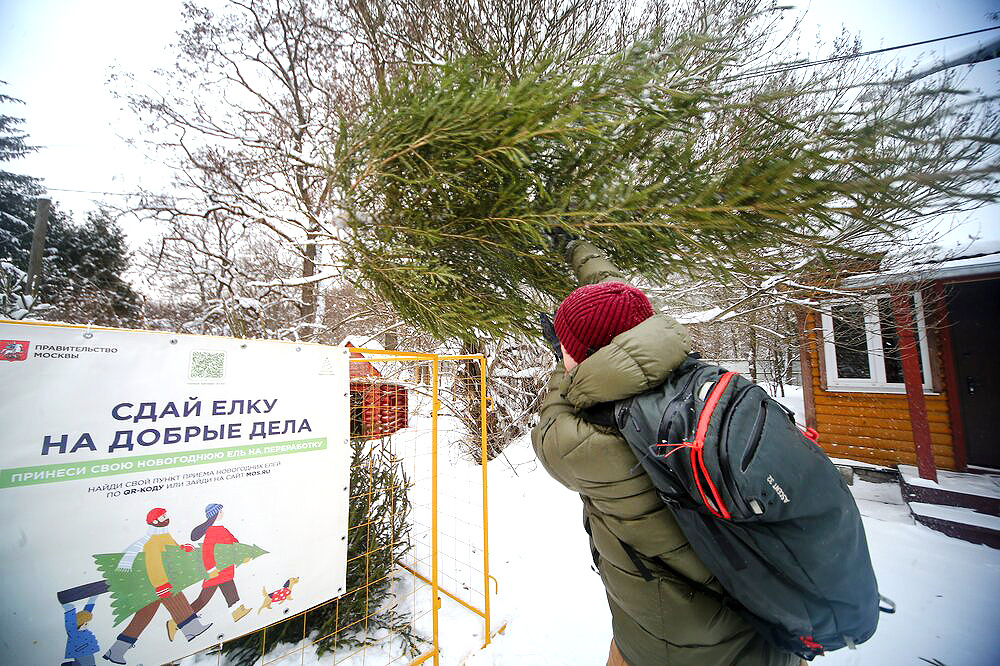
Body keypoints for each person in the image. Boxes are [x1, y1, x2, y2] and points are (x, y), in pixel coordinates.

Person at [531, 240, 800, 666]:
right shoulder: (697, 381)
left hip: (672, 651)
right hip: (776, 631)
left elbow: (550, 424)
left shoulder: (587, 443)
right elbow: (617, 297)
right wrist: (580, 249)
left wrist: (564, 364)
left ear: (580, 357)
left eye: (569, 351)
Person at [102, 508, 212, 664]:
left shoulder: (163, 535)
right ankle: (192, 629)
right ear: (155, 521)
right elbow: (154, 564)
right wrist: (160, 585)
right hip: (160, 582)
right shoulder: (153, 541)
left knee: (143, 617)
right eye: (163, 516)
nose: (167, 518)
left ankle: (117, 650)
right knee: (178, 601)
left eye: (166, 515)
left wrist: (182, 549)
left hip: (163, 581)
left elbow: (170, 549)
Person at [167, 503, 250, 639]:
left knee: (230, 591)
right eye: (221, 511)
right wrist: (211, 569)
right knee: (202, 600)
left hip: (225, 570)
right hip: (216, 572)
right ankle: (176, 622)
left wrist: (242, 555)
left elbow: (234, 543)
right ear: (215, 514)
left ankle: (238, 612)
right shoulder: (211, 532)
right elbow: (207, 553)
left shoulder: (222, 529)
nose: (222, 513)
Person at [61, 595, 100, 666]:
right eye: (85, 623)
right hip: (82, 652)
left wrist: (92, 600)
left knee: (86, 664)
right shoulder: (74, 631)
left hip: (84, 652)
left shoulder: (81, 630)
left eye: (87, 623)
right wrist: (70, 610)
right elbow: (70, 623)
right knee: (89, 664)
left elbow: (86, 613)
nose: (87, 624)